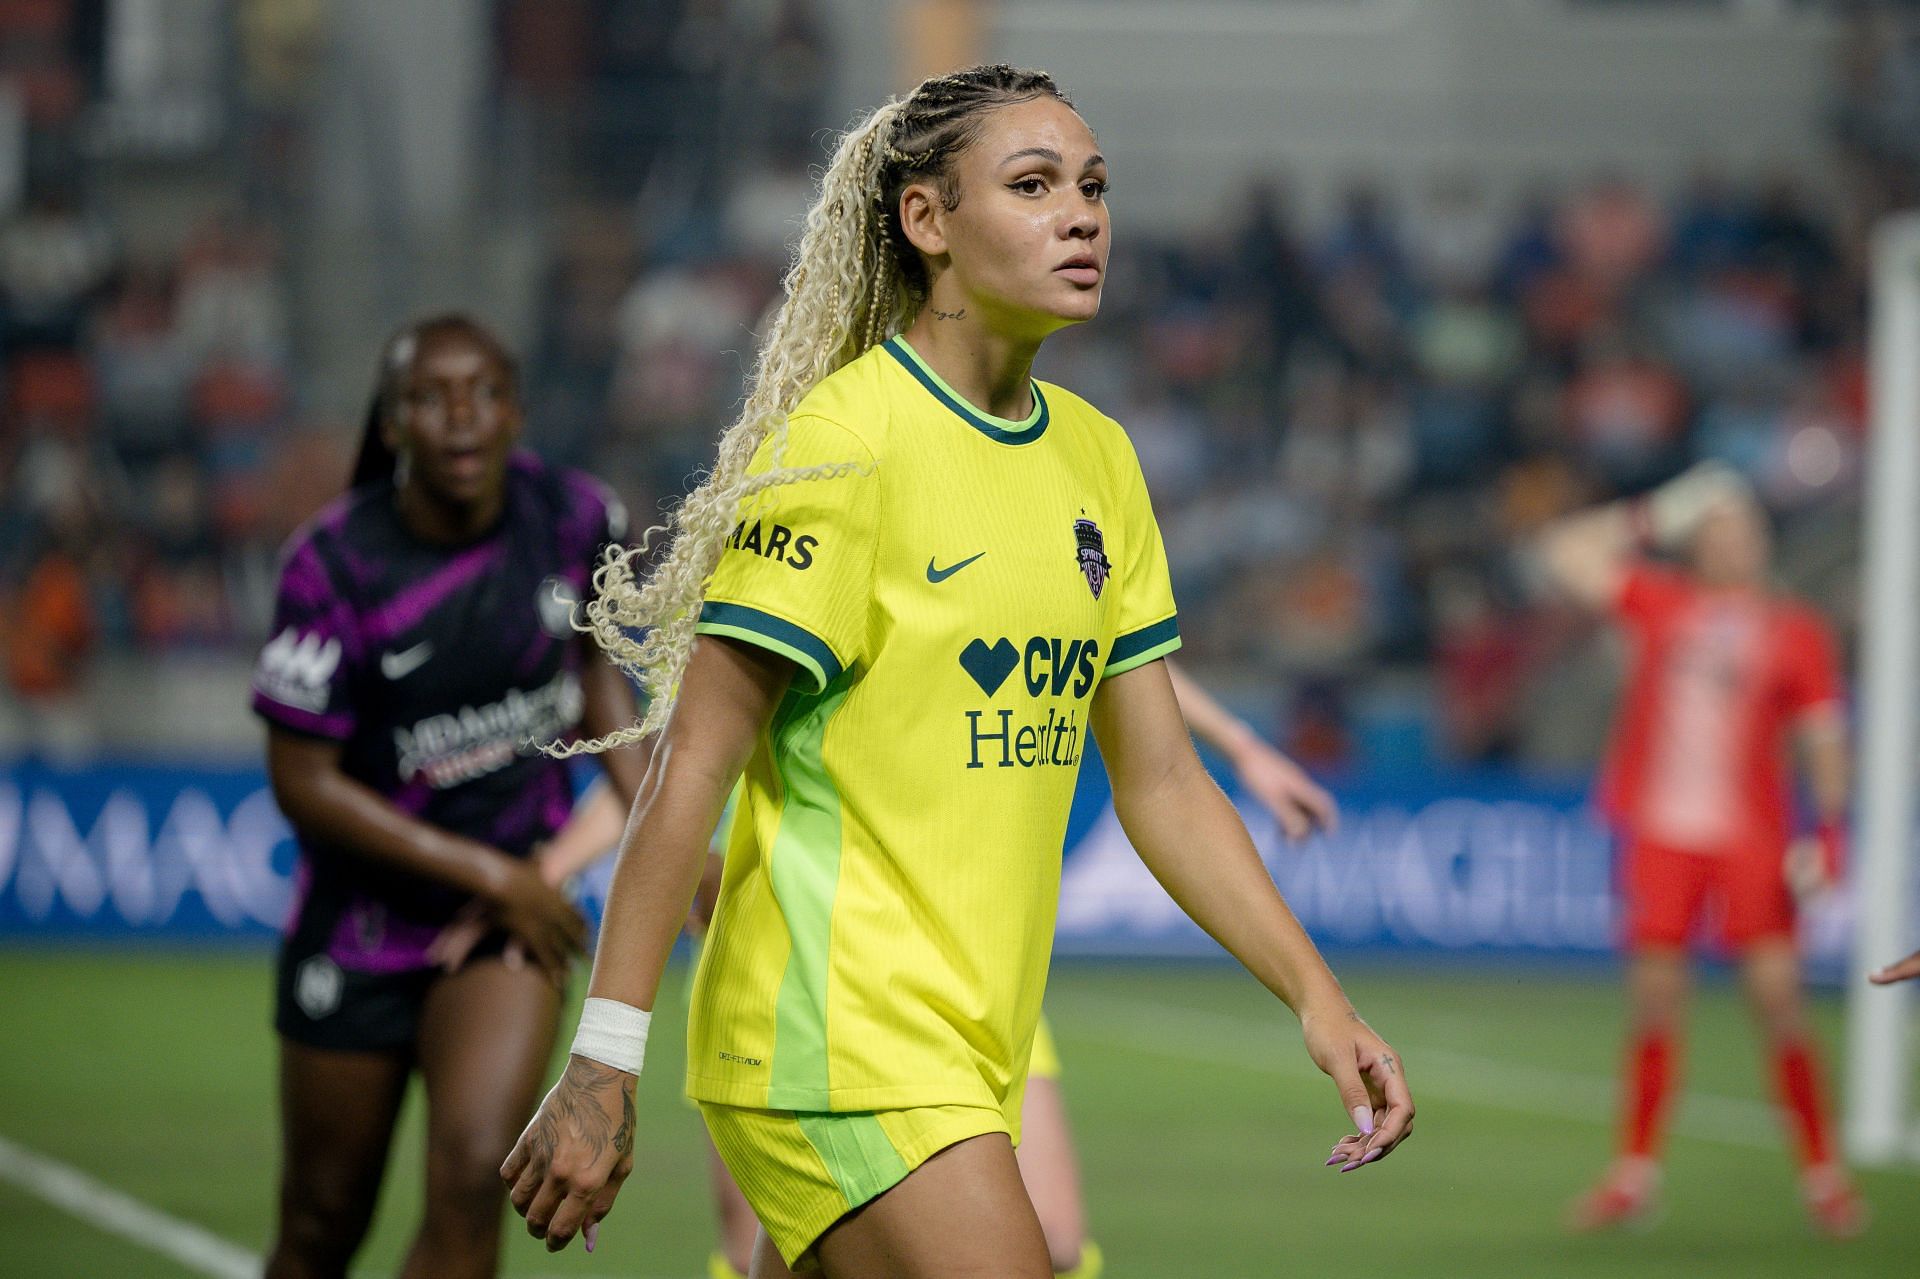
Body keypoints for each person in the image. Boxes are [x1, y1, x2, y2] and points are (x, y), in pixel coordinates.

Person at [501, 65, 1413, 1278]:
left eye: (1092, 186)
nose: (1081, 214)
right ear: (926, 222)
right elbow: (693, 763)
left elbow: (1163, 783)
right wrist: (605, 1057)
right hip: (831, 1036)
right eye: (1032, 186)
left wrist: (1317, 993)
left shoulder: (1100, 460)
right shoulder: (842, 445)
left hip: (975, 1044)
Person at [533, 666, 1338, 1278]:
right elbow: (668, 767)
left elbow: (1100, 649)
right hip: (795, 964)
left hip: (975, 962)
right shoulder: (794, 548)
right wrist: (554, 873)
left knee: (1045, 1233)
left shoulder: (1000, 517)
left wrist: (1235, 742)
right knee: (772, 1227)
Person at [253, 314, 649, 1279]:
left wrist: (658, 826)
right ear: (391, 425)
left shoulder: (575, 516)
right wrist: (486, 872)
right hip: (361, 927)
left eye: (484, 392)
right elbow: (301, 781)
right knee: (321, 1222)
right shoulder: (331, 564)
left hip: (511, 923)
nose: (462, 416)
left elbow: (594, 671)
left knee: (477, 1173)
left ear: (516, 409)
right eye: (431, 397)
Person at [1535, 463, 1864, 1237]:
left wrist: (1828, 833)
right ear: (1698, 542)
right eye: (1714, 528)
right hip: (1664, 834)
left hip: (1752, 837)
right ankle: (1635, 1176)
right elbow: (1562, 552)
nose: (1731, 541)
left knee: (1780, 1001)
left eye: (1742, 529)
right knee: (1655, 1003)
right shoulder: (1664, 604)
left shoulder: (1795, 630)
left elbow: (1823, 738)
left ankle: (1823, 1176)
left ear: (1762, 542)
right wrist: (1660, 508)